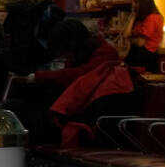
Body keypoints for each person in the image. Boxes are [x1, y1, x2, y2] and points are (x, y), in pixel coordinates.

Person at [7, 18, 141, 146]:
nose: (65, 57)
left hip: (83, 114)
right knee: (20, 106)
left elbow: (80, 76)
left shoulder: (105, 54)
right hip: (77, 110)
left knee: (22, 109)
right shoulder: (86, 53)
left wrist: (36, 77)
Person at [2, 0, 61, 74]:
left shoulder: (16, 13)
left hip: (25, 68)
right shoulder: (49, 9)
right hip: (49, 65)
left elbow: (16, 43)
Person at [121, 0, 164, 71]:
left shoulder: (152, 18)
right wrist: (133, 16)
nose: (133, 5)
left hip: (145, 57)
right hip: (137, 55)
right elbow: (125, 34)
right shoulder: (142, 18)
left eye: (136, 2)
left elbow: (140, 42)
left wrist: (130, 39)